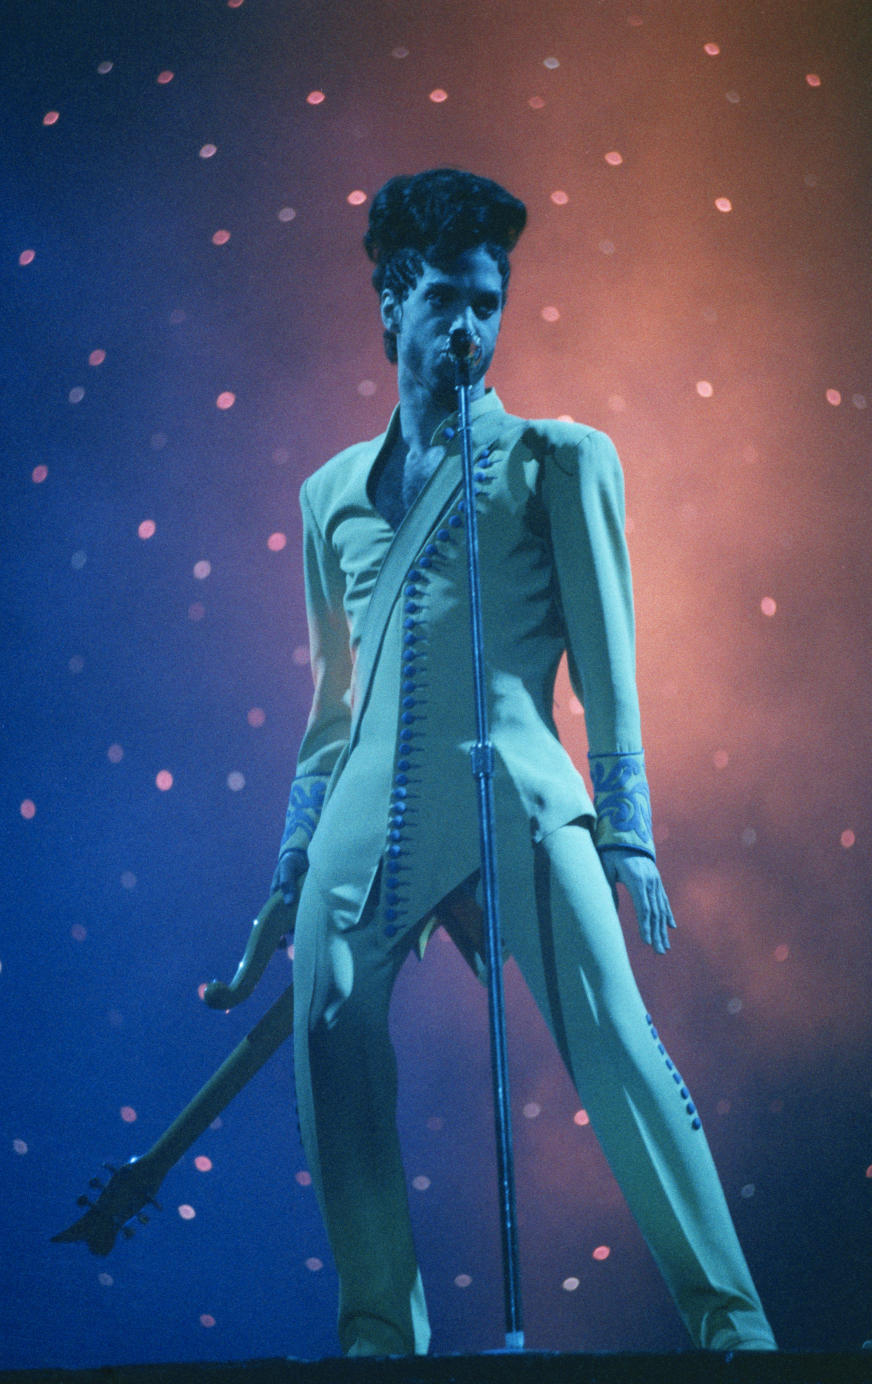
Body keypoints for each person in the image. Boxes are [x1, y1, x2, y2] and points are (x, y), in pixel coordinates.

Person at [269, 168, 776, 1358]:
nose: (471, 328)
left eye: (489, 302)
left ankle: (736, 1325)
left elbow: (610, 663)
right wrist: (289, 864)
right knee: (329, 1034)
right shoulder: (328, 493)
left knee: (618, 1037)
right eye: (446, 298)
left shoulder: (558, 459)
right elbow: (329, 704)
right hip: (364, 817)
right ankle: (377, 1335)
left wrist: (632, 827)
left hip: (518, 787)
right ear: (394, 300)